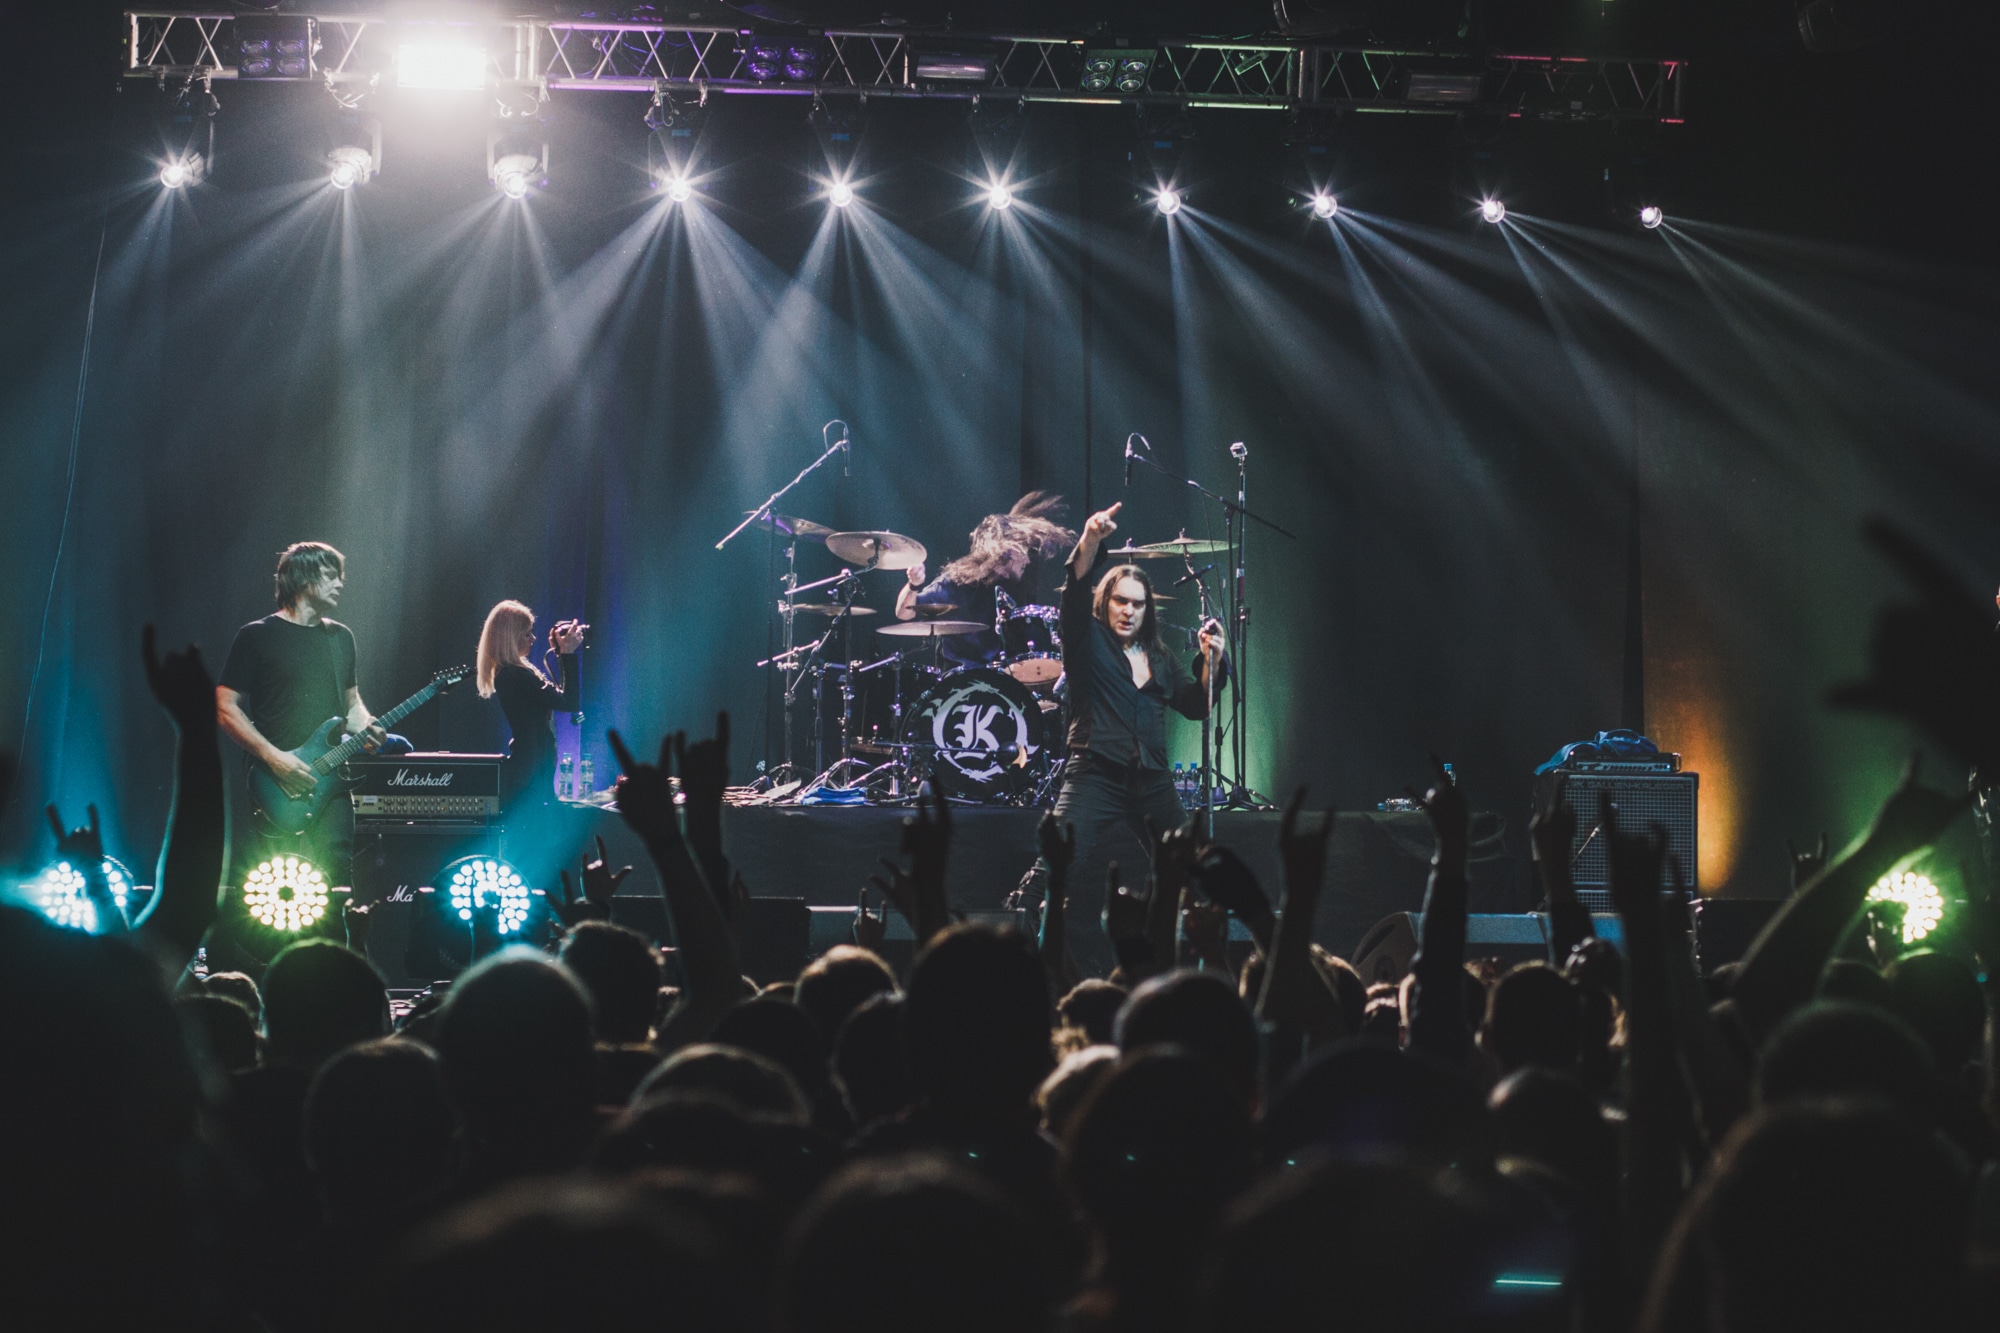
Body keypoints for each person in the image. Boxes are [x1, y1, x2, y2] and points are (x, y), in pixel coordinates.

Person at [1013, 502, 1226, 973]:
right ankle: (1016, 957)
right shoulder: (1086, 640)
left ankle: (1191, 974)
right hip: (1095, 771)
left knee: (1193, 867)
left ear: (1148, 610)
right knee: (1055, 865)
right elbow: (1075, 591)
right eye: (1120, 601)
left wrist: (1213, 661)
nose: (1129, 610)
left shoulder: (1160, 657)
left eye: (1137, 604)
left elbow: (1196, 705)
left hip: (1151, 779)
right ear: (1105, 603)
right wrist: (1090, 540)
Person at [218, 541, 385, 888]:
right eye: (330, 575)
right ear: (302, 578)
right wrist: (274, 758)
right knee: (281, 883)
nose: (339, 583)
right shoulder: (257, 636)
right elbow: (224, 705)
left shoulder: (340, 638)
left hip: (332, 779)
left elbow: (351, 703)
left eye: (340, 576)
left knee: (338, 875)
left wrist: (367, 725)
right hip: (276, 782)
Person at [893, 491, 1076, 670]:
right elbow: (904, 613)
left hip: (1001, 676)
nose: (1027, 560)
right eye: (1021, 551)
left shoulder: (1014, 587)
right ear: (1000, 554)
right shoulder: (955, 584)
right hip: (961, 680)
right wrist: (913, 584)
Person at [476, 600, 585, 813]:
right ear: (510, 637)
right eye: (527, 634)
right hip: (529, 776)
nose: (534, 639)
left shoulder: (514, 673)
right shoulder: (515, 675)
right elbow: (569, 702)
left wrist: (562, 653)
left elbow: (559, 699)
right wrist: (567, 654)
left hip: (531, 771)